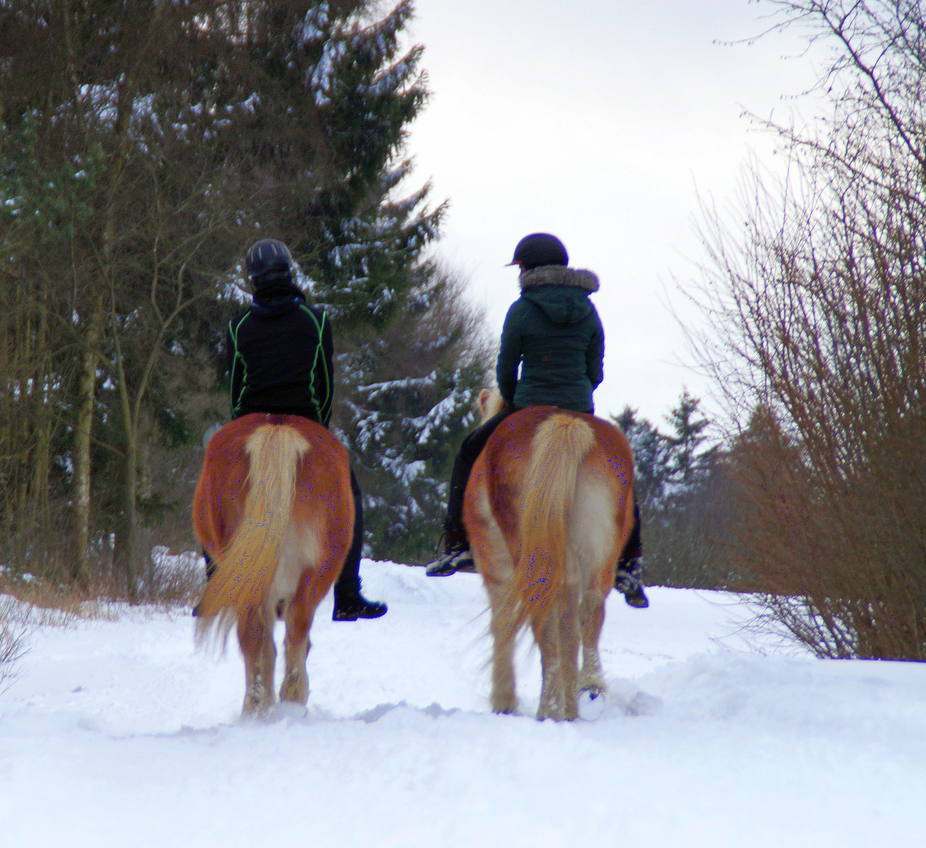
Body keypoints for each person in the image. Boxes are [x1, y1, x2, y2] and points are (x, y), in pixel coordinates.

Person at [423, 232, 647, 608]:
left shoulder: (522, 309)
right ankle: (629, 560)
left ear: (527, 268)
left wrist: (513, 398)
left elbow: (506, 367)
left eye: (520, 266)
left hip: (528, 406)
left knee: (468, 452)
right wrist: (577, 394)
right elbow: (596, 370)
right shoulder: (589, 309)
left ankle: (458, 543)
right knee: (621, 474)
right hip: (579, 406)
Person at [212, 237, 387, 621]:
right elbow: (324, 381)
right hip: (305, 422)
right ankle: (347, 594)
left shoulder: (239, 326)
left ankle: (214, 578)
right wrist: (318, 426)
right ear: (289, 271)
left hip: (251, 423)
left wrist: (240, 427)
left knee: (214, 482)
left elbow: (237, 387)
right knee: (350, 495)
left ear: (252, 280)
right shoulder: (315, 320)